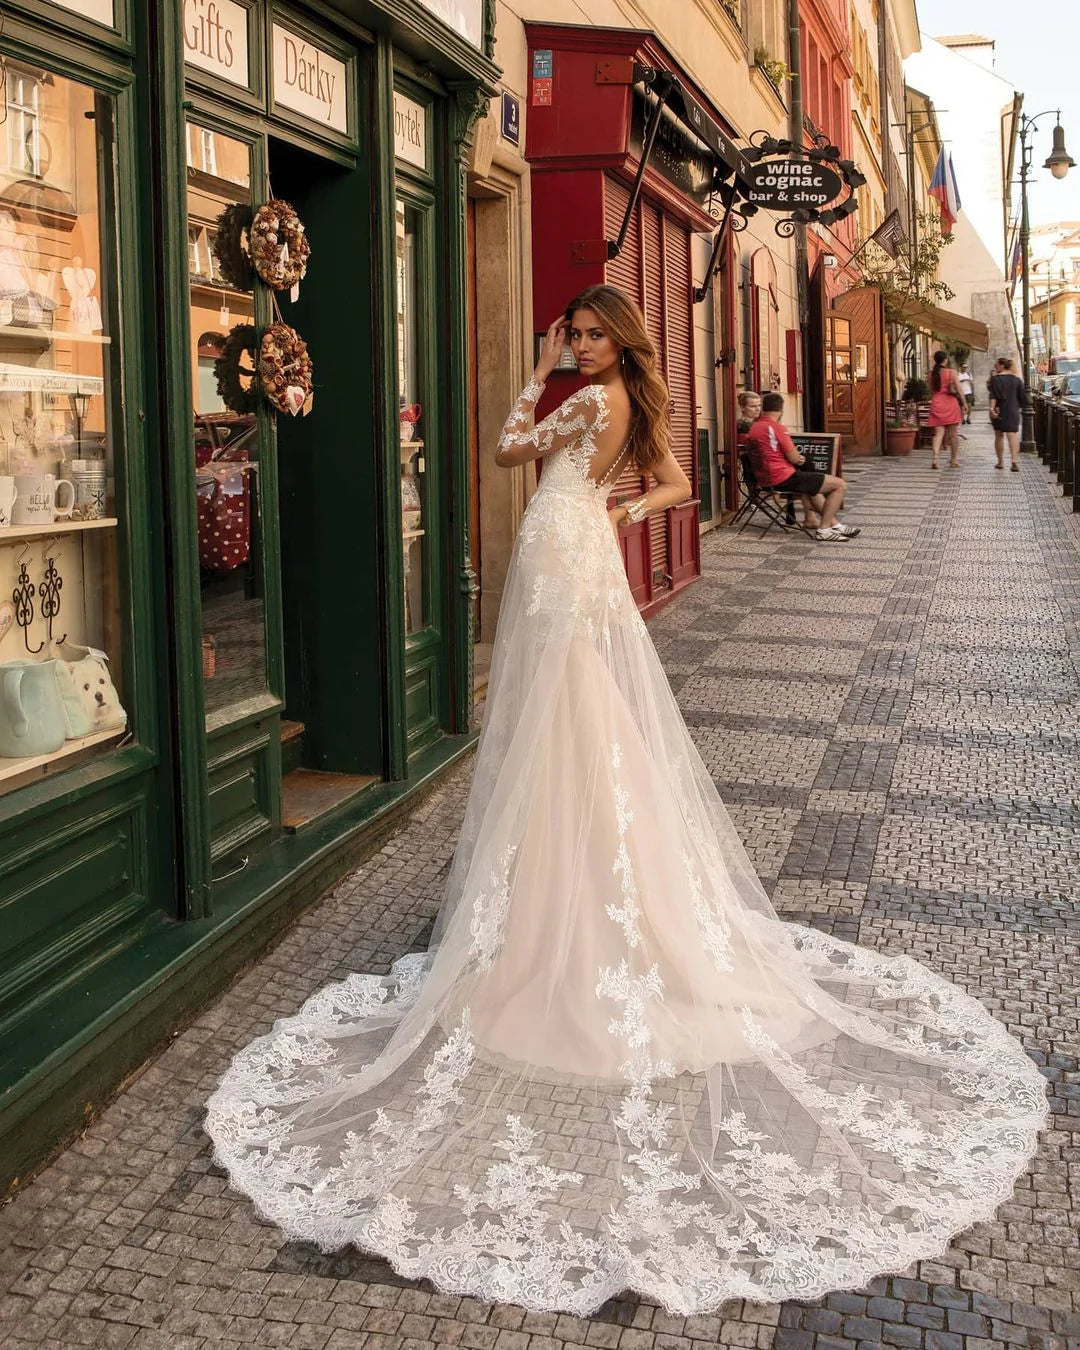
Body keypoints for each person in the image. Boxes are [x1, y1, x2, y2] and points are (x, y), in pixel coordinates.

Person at [206, 284, 1047, 1317]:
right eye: (578, 331)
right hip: (582, 549)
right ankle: (576, 885)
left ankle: (562, 909)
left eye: (596, 333)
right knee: (579, 714)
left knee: (562, 714)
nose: (584, 342)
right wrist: (618, 505)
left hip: (566, 549)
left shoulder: (587, 402)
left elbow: (514, 450)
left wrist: (531, 390)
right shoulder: (629, 406)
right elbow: (675, 486)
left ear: (617, 342)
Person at [745, 391, 857, 540]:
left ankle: (834, 525)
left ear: (763, 409)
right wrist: (800, 459)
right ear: (781, 410)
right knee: (839, 485)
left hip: (765, 478)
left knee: (812, 486)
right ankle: (824, 529)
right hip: (782, 477)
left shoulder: (754, 428)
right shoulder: (777, 428)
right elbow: (794, 457)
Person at [989, 356, 1028, 471]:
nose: (995, 366)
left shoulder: (995, 379)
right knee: (1012, 436)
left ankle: (1000, 462)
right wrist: (1018, 407)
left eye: (996, 364)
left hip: (999, 410)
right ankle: (1014, 461)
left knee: (999, 435)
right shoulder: (1017, 380)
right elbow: (1023, 398)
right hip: (1012, 410)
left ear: (1002, 365)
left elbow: (993, 396)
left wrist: (991, 409)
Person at [928, 350, 964, 469]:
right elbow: (959, 389)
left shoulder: (931, 374)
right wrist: (964, 403)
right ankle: (953, 460)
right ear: (945, 360)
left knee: (938, 434)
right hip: (950, 404)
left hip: (937, 403)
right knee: (953, 435)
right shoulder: (951, 372)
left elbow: (931, 390)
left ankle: (935, 458)